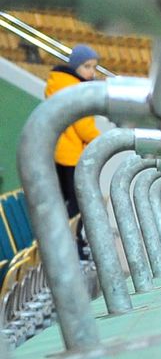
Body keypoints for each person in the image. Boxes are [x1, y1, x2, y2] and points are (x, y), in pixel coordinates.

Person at [44, 43, 101, 259]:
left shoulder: (57, 83)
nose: (91, 72)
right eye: (87, 66)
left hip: (60, 153)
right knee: (76, 206)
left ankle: (68, 245)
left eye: (94, 67)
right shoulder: (75, 88)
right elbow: (83, 126)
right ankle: (71, 246)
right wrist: (103, 141)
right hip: (71, 156)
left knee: (69, 203)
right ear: (75, 67)